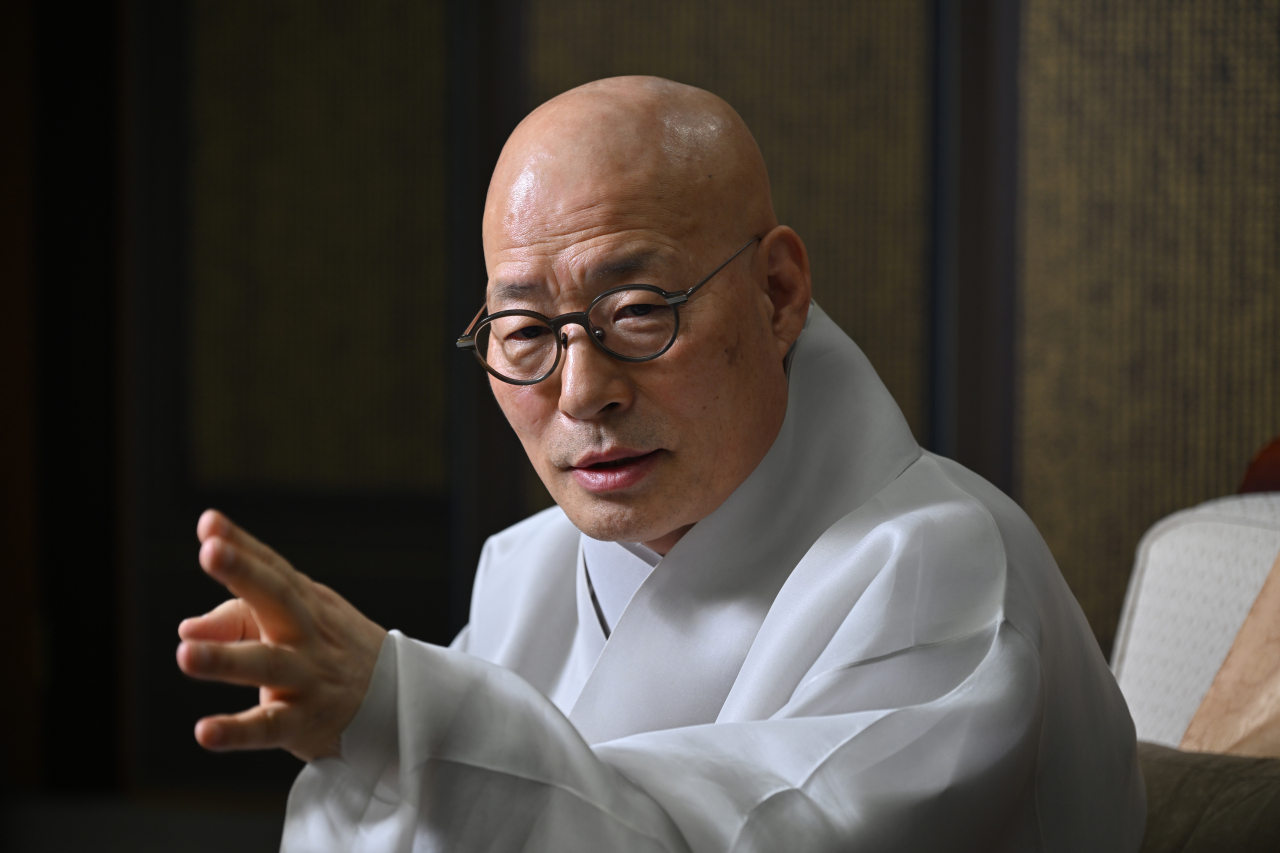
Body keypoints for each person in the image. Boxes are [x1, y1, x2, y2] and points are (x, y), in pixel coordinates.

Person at [176, 76, 1146, 851]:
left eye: (637, 312)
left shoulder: (941, 568)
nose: (579, 389)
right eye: (522, 331)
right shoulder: (532, 569)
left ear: (776, 292)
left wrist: (403, 716)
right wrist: (368, 733)